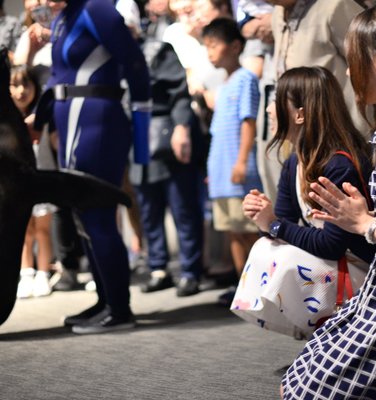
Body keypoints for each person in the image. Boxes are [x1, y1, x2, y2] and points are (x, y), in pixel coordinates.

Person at [281, 3, 376, 398]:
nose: (347, 72)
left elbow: (349, 233)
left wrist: (366, 223)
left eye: (352, 60)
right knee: (296, 381)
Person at [34, 0, 151, 334]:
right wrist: (41, 119)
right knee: (81, 213)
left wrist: (142, 135)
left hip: (98, 120)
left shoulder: (96, 8)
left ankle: (119, 308)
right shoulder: (66, 16)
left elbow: (135, 64)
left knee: (97, 213)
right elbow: (59, 75)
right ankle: (105, 300)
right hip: (70, 120)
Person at [240, 66, 376, 335]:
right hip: (340, 262)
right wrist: (263, 217)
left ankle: (336, 329)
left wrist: (273, 224)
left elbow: (332, 245)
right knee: (265, 248)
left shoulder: (339, 165)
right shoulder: (295, 161)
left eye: (276, 101)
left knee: (288, 258)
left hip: (368, 270)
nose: (269, 109)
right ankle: (323, 336)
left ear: (300, 114)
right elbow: (281, 225)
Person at [257, 0, 364, 205]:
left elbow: (369, 62)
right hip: (302, 141)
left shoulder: (335, 6)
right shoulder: (278, 15)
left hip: (341, 142)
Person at [130, 12, 205, 297]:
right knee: (148, 208)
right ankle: (158, 267)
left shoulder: (157, 49)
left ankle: (190, 270)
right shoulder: (110, 56)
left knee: (182, 206)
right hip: (136, 134)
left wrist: (183, 127)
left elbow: (178, 92)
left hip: (166, 131)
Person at [202, 17, 262, 305]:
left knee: (249, 231)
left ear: (235, 46)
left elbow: (248, 122)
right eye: (206, 47)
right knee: (232, 232)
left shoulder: (246, 78)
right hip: (221, 170)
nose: (209, 52)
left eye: (213, 45)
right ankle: (243, 287)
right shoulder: (223, 85)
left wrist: (241, 162)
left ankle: (259, 287)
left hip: (239, 169)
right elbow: (218, 132)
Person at [10, 64, 56, 299]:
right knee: (24, 231)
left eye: (25, 84)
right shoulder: (8, 120)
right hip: (17, 181)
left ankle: (43, 273)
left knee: (42, 230)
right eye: (14, 85)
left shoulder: (42, 118)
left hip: (43, 175)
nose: (20, 91)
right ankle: (26, 272)